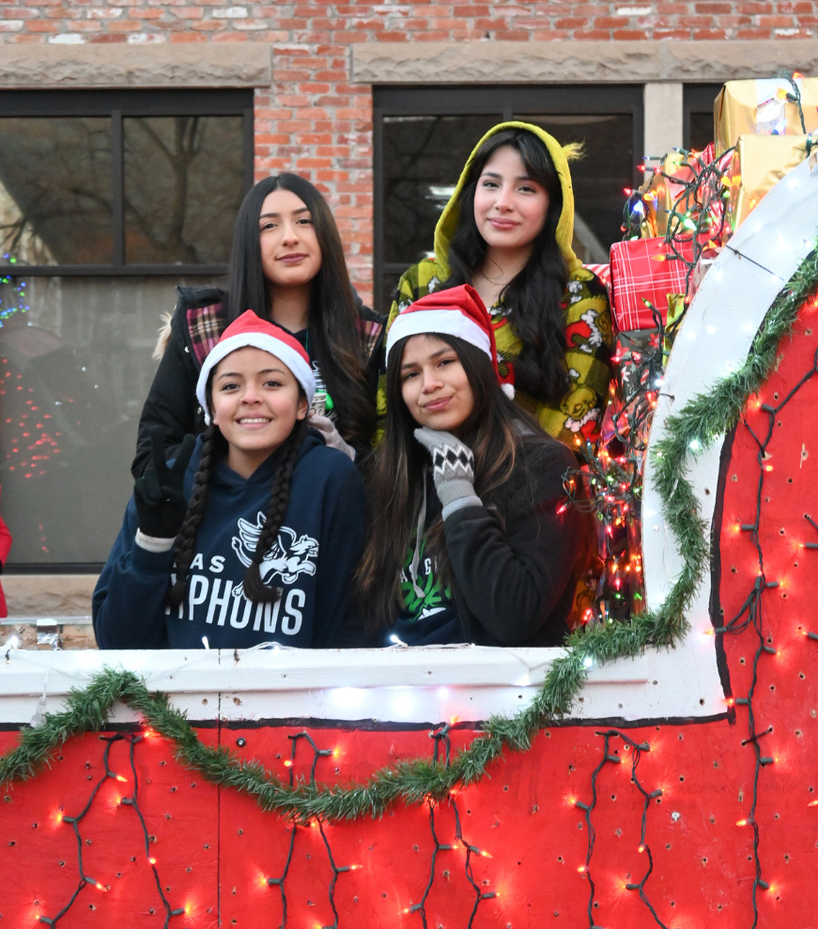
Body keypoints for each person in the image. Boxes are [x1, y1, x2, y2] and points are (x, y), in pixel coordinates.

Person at [95, 311, 367, 650]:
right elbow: (117, 644)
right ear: (211, 404)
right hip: (172, 702)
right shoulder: (169, 481)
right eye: (231, 386)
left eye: (272, 383)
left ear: (302, 404)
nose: (250, 397)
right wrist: (152, 544)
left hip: (297, 699)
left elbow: (351, 627)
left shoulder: (331, 479)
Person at [358, 285, 586, 647]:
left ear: (478, 366)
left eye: (445, 362)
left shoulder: (542, 466)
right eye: (410, 374)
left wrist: (458, 495)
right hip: (398, 691)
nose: (429, 385)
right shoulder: (391, 477)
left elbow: (514, 616)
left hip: (500, 694)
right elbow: (365, 617)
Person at [133, 174, 385, 477]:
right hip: (222, 518)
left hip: (335, 517)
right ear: (249, 243)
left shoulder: (368, 338)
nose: (289, 237)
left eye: (304, 221)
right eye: (269, 225)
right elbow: (153, 455)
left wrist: (347, 457)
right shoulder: (205, 329)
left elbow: (396, 463)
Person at [384, 122, 612, 450]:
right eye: (491, 184)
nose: (502, 202)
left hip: (528, 488)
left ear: (553, 205)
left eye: (526, 188)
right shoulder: (422, 283)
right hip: (420, 483)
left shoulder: (578, 293)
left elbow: (574, 429)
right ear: (470, 190)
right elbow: (385, 400)